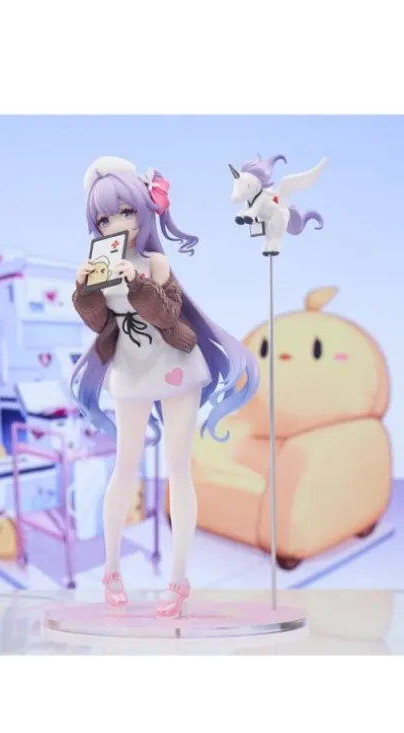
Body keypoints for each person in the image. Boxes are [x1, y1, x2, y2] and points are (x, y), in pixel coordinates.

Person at [71, 156, 259, 618]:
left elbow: (168, 315)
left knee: (178, 468)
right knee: (125, 467)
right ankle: (111, 570)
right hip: (130, 371)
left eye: (126, 211)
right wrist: (85, 292)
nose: (117, 224)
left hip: (175, 366)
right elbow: (97, 323)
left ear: (142, 212)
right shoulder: (98, 266)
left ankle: (178, 579)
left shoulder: (156, 262)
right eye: (104, 219)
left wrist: (138, 283)